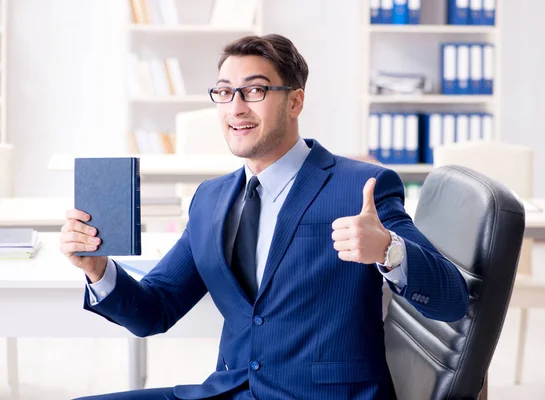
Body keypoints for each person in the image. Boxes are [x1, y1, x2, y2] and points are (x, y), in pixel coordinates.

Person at [61, 33, 469, 400]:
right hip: (228, 391)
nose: (236, 108)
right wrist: (99, 270)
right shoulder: (210, 199)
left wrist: (388, 250)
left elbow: (452, 298)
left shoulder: (361, 186)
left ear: (295, 101)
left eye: (254, 90)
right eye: (224, 92)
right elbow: (155, 310)